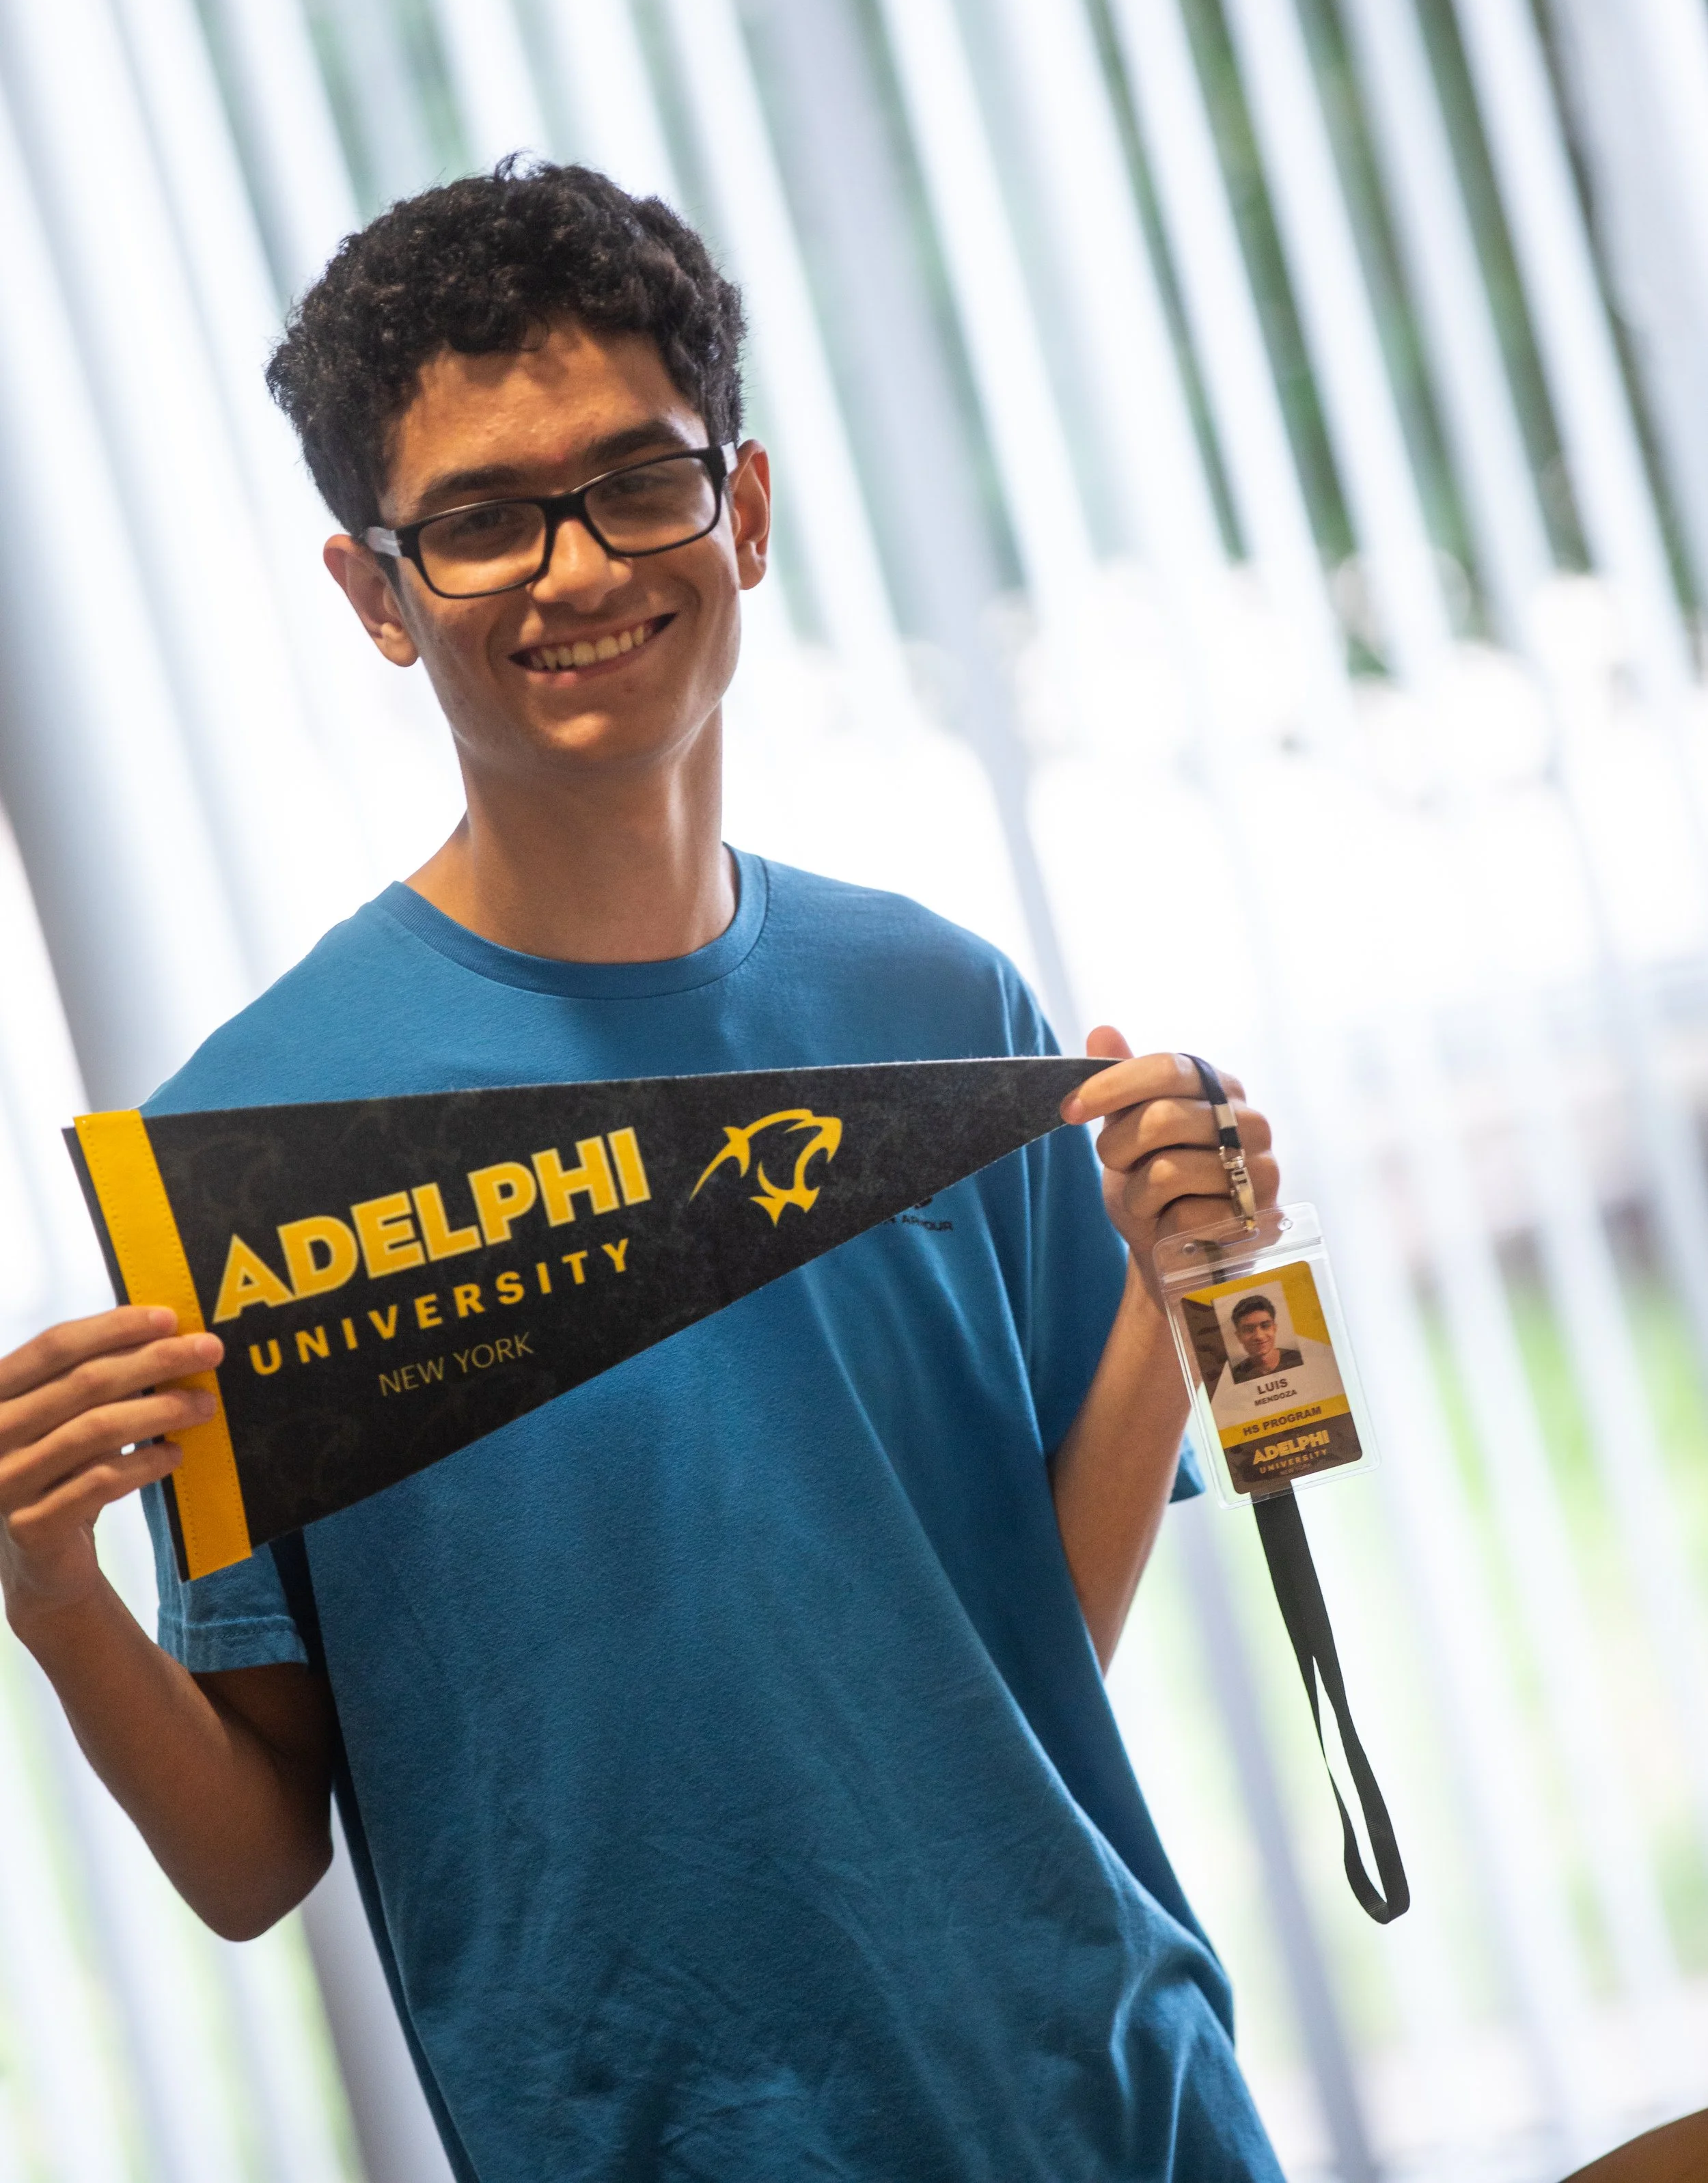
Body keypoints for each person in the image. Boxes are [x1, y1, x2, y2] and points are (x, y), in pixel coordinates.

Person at [0, 164, 1287, 2182]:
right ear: (374, 589)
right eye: (482, 519)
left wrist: (1169, 1284)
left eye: (635, 482)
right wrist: (53, 1587)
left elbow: (1010, 1651)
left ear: (743, 509)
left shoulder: (941, 1000)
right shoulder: (246, 1159)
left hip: (1113, 2099)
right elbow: (254, 1859)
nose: (575, 565)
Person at [1227, 1295, 1302, 1385]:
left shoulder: (1300, 1359)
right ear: (1239, 1337)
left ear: (1274, 1328)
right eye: (1249, 1329)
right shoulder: (1234, 1378)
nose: (1259, 1336)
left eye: (1265, 1326)